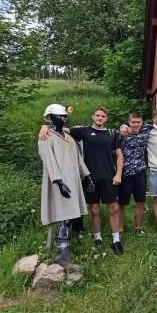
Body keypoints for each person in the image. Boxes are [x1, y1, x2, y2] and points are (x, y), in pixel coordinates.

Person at [41, 107, 125, 255]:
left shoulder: (112, 133)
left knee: (114, 208)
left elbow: (119, 155)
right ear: (93, 116)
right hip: (91, 177)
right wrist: (45, 126)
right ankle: (97, 238)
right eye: (97, 115)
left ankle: (116, 240)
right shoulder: (83, 132)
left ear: (106, 118)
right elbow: (60, 128)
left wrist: (118, 174)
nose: (99, 118)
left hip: (109, 177)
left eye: (103, 116)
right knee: (94, 210)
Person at [38, 104, 94, 267]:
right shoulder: (46, 137)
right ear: (52, 117)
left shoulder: (69, 138)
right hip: (60, 183)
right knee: (63, 216)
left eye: (65, 116)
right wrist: (59, 182)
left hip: (73, 181)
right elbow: (48, 161)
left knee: (69, 216)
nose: (64, 118)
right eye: (60, 116)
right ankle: (63, 254)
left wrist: (87, 176)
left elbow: (78, 159)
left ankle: (64, 251)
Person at [118, 112, 152, 234]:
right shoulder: (122, 134)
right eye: (133, 122)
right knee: (121, 203)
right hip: (124, 172)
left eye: (138, 122)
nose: (136, 124)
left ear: (142, 122)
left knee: (140, 201)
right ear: (129, 122)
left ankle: (138, 228)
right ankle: (120, 229)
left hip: (140, 171)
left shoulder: (146, 129)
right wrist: (122, 127)